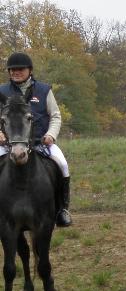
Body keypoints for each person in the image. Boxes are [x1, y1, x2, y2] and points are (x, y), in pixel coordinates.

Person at [0, 52, 73, 226]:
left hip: (41, 142)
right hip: (9, 143)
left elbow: (55, 115)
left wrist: (51, 135)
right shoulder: (2, 92)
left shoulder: (43, 90)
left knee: (62, 164)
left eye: (20, 69)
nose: (16, 72)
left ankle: (62, 209)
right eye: (12, 70)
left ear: (30, 70)